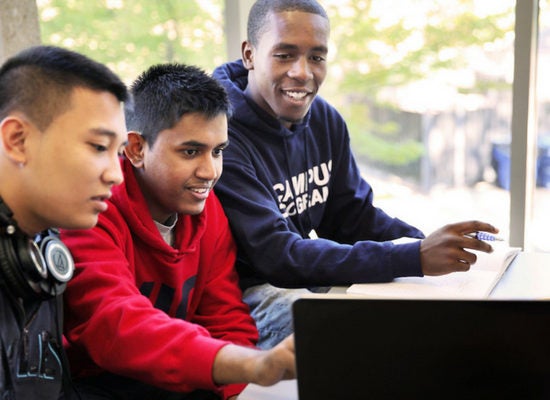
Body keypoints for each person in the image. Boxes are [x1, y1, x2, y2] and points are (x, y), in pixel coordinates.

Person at [212, 0, 501, 349]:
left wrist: (426, 243)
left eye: (317, 57)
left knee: (429, 312)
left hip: (301, 273)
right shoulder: (221, 135)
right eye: (284, 54)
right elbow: (277, 255)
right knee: (355, 338)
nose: (303, 72)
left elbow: (352, 218)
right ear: (249, 55)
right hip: (246, 291)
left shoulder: (324, 119)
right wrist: (413, 257)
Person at [59, 63, 295, 400]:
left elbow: (226, 317)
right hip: (97, 383)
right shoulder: (91, 209)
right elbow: (115, 325)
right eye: (190, 151)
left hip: (183, 377)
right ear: (136, 148)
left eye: (218, 151)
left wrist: (222, 384)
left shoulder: (205, 207)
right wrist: (247, 365)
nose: (210, 171)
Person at [0, 45, 128, 399]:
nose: (117, 175)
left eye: (118, 154)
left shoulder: (41, 255)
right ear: (18, 140)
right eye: (98, 147)